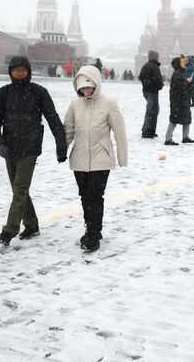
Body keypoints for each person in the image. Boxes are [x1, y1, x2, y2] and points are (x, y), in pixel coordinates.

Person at [0, 56, 67, 246]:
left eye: (23, 70)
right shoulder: (3, 93)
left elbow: (52, 118)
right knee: (19, 189)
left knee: (20, 188)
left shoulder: (38, 92)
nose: (20, 73)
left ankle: (9, 230)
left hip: (30, 147)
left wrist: (61, 145)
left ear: (29, 71)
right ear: (10, 72)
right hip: (9, 147)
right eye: (16, 70)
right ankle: (31, 224)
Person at [64, 65, 128, 252]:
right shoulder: (75, 104)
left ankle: (93, 232)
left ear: (96, 84)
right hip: (79, 158)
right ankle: (90, 227)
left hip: (102, 158)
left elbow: (120, 132)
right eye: (82, 88)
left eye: (88, 87)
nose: (85, 91)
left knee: (95, 195)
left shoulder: (109, 103)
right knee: (84, 196)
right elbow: (68, 129)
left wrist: (122, 157)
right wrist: (62, 149)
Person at [165, 57, 194, 145]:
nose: (184, 64)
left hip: (183, 100)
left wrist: (188, 82)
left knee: (186, 118)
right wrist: (187, 82)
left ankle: (185, 137)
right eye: (182, 62)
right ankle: (168, 138)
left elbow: (183, 87)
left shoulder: (180, 73)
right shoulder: (177, 74)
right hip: (178, 101)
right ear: (178, 64)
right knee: (174, 119)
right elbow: (179, 88)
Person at [139, 50, 164, 139]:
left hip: (146, 91)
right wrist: (159, 86)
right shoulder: (154, 67)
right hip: (153, 91)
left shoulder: (145, 66)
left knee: (152, 110)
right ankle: (148, 131)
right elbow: (158, 80)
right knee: (152, 111)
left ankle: (147, 129)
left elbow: (141, 77)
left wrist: (146, 84)